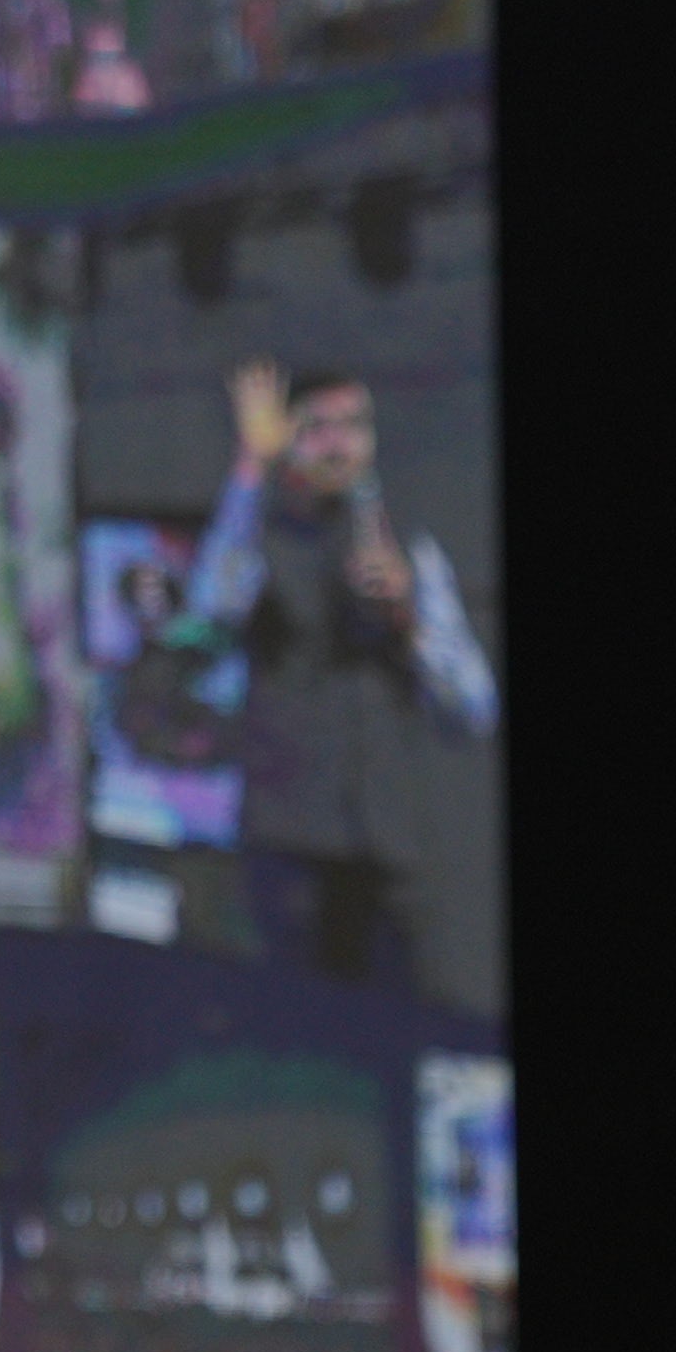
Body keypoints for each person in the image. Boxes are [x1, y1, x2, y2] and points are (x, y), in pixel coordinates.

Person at [179, 365, 495, 992]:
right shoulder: (261, 532)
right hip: (289, 853)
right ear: (286, 439)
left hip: (388, 858)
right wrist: (250, 467)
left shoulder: (406, 545)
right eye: (317, 427)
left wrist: (408, 619)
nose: (338, 444)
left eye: (353, 426)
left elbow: (475, 708)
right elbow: (207, 613)